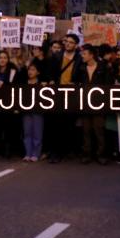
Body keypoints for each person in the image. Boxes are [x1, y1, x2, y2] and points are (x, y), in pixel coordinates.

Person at [73, 44, 112, 165]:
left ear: (91, 55)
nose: (82, 56)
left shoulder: (103, 67)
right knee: (86, 130)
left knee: (98, 129)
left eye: (84, 54)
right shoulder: (81, 67)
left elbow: (108, 84)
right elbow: (75, 81)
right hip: (85, 103)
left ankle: (101, 155)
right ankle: (86, 154)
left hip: (99, 103)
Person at [46, 34, 82, 163]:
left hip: (71, 94)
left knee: (69, 124)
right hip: (57, 93)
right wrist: (51, 80)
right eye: (66, 41)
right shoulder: (56, 56)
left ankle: (66, 150)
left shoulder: (79, 59)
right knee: (56, 123)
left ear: (76, 45)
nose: (67, 44)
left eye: (71, 42)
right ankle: (55, 152)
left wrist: (76, 83)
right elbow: (50, 72)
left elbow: (82, 75)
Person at [0, 50, 19, 158]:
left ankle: (8, 150)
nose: (2, 60)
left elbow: (15, 86)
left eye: (4, 58)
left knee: (8, 127)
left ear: (7, 60)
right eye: (0, 58)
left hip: (8, 102)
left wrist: (5, 83)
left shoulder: (12, 71)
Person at [21, 62, 45, 162]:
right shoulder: (24, 83)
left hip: (38, 111)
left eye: (33, 69)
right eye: (29, 69)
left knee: (37, 133)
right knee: (27, 132)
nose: (30, 72)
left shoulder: (41, 84)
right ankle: (28, 153)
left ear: (38, 72)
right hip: (26, 111)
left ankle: (36, 153)